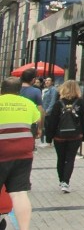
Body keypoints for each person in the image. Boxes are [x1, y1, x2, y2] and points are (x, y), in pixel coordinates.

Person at [0, 76, 40, 229]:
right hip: (23, 151)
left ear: (2, 90)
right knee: (19, 193)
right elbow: (36, 121)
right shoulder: (28, 103)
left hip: (2, 150)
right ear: (19, 91)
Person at [43, 80, 84, 194]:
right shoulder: (81, 103)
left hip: (59, 136)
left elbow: (52, 122)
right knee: (70, 159)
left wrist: (49, 137)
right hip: (75, 136)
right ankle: (66, 182)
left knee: (61, 159)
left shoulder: (59, 103)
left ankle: (61, 180)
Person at [18, 70, 43, 152]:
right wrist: (40, 128)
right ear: (33, 79)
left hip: (16, 121)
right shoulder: (36, 91)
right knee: (28, 149)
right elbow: (40, 111)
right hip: (30, 123)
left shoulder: (16, 90)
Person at [39, 78, 57, 148]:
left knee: (49, 127)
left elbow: (53, 100)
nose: (47, 82)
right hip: (44, 110)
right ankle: (47, 141)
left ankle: (48, 142)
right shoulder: (46, 90)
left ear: (52, 82)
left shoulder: (53, 90)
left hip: (49, 112)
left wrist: (48, 110)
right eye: (46, 80)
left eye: (49, 80)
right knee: (46, 126)